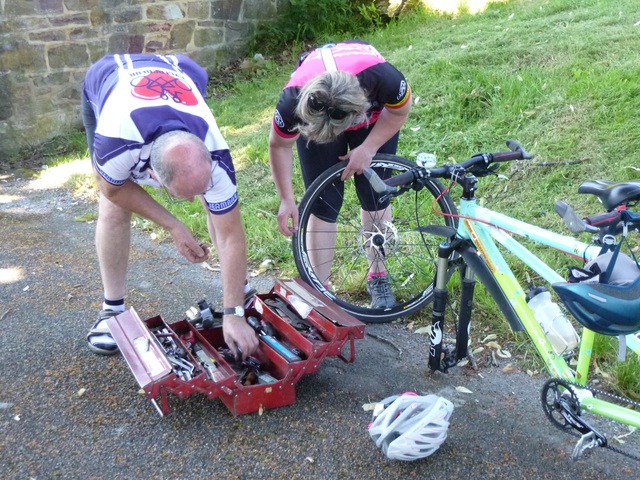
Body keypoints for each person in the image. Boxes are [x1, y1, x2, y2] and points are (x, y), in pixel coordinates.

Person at [82, 53, 258, 358]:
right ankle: (112, 310)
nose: (189, 201)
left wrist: (234, 312)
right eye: (181, 196)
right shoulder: (116, 142)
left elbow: (231, 234)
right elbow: (112, 189)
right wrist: (173, 225)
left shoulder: (217, 156)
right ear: (152, 176)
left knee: (214, 204)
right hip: (108, 77)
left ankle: (237, 290)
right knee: (113, 207)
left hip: (180, 72)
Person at [268, 41, 411, 309]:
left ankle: (378, 275)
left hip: (368, 111)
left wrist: (368, 148)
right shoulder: (293, 99)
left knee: (375, 193)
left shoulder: (383, 78)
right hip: (319, 114)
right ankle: (318, 289)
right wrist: (286, 199)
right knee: (323, 202)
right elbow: (279, 144)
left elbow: (400, 109)